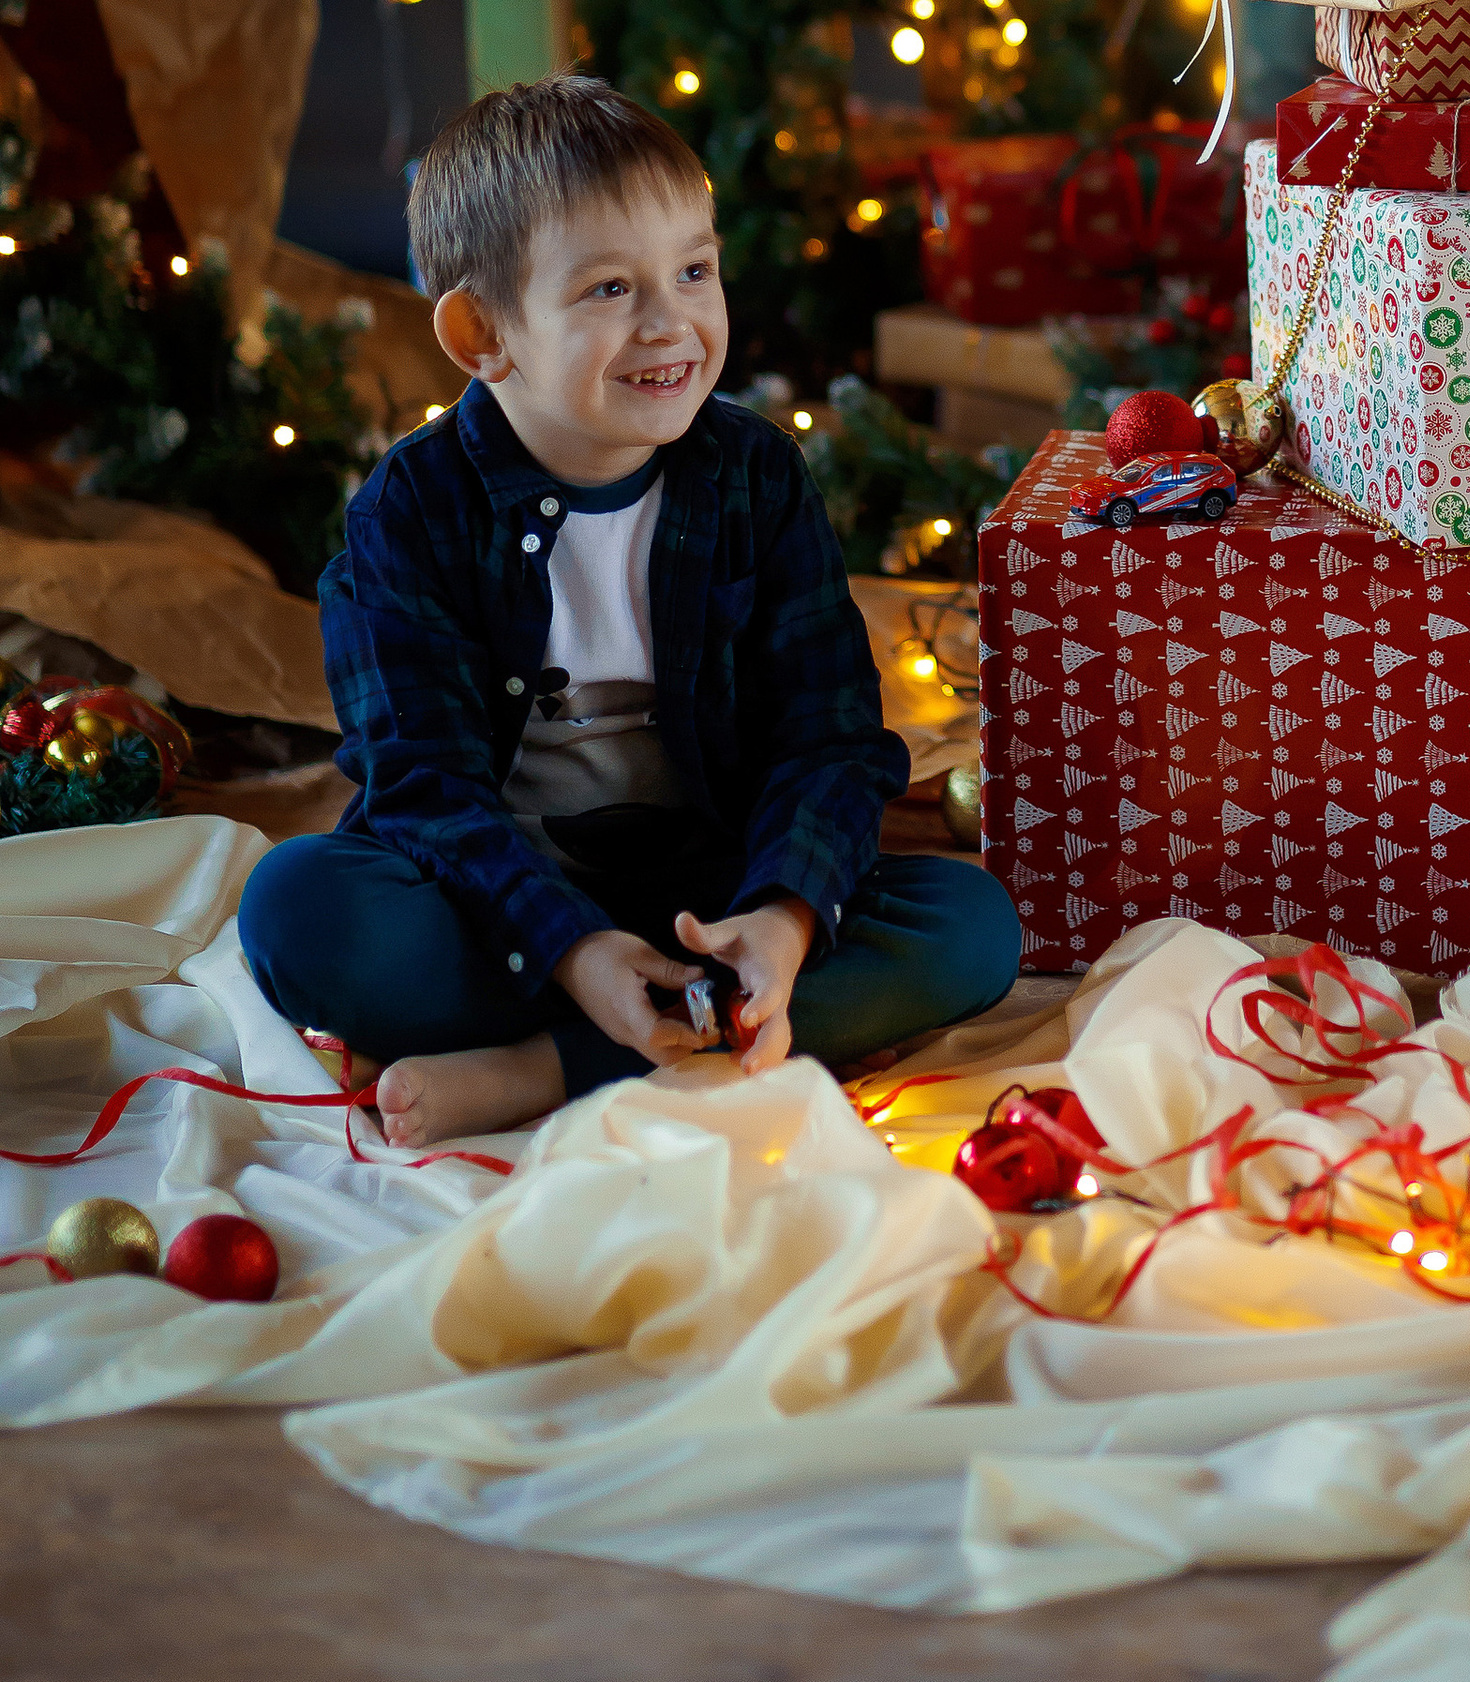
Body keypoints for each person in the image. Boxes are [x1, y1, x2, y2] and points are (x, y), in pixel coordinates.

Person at [239, 76, 1020, 1147]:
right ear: (482, 334)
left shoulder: (756, 478)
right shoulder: (409, 513)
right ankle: (648, 1024)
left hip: (717, 889)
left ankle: (550, 1067)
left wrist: (785, 922)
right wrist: (574, 948)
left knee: (972, 929)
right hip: (505, 905)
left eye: (693, 270)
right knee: (299, 910)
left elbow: (828, 738)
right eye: (609, 289)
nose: (672, 323)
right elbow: (423, 783)